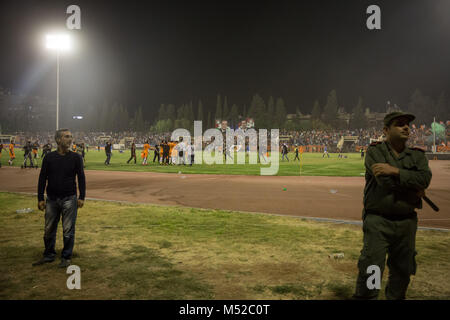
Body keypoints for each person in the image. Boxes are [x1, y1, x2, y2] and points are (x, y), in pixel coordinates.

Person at [353, 112, 432, 300]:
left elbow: (425, 179)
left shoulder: (417, 155)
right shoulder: (375, 151)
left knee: (402, 271)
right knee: (372, 268)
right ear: (386, 130)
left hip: (406, 223)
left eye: (407, 125)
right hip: (378, 221)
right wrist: (414, 189)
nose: (406, 127)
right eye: (399, 124)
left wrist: (395, 170)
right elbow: (385, 182)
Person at [34, 128, 86, 268]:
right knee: (49, 229)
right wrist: (40, 198)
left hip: (70, 198)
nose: (70, 139)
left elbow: (81, 178)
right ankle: (49, 255)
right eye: (66, 137)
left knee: (68, 230)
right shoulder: (49, 158)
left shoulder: (76, 158)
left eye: (71, 136)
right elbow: (42, 178)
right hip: (51, 199)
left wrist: (82, 197)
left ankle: (66, 257)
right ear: (58, 140)